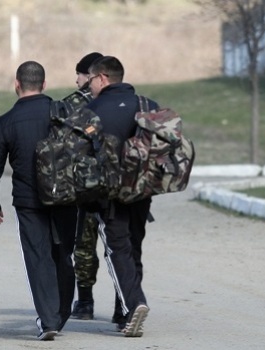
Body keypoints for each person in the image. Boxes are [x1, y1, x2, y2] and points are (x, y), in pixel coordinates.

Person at [0, 61, 77, 341]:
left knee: (38, 256)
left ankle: (48, 320)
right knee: (62, 255)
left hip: (29, 200)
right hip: (67, 197)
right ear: (44, 85)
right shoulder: (66, 115)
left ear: (17, 85)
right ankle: (60, 313)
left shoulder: (6, 122)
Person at [84, 56, 158, 337]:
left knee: (117, 249)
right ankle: (123, 310)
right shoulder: (148, 105)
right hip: (143, 190)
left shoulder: (93, 109)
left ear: (102, 78)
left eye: (90, 80)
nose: (89, 86)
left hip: (110, 193)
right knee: (133, 246)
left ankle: (134, 303)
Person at [62, 52, 103, 321]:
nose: (75, 79)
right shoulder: (120, 102)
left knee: (83, 243)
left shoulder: (70, 105)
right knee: (122, 246)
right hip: (117, 183)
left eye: (79, 74)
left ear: (89, 76)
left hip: (81, 185)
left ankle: (85, 301)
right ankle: (125, 304)